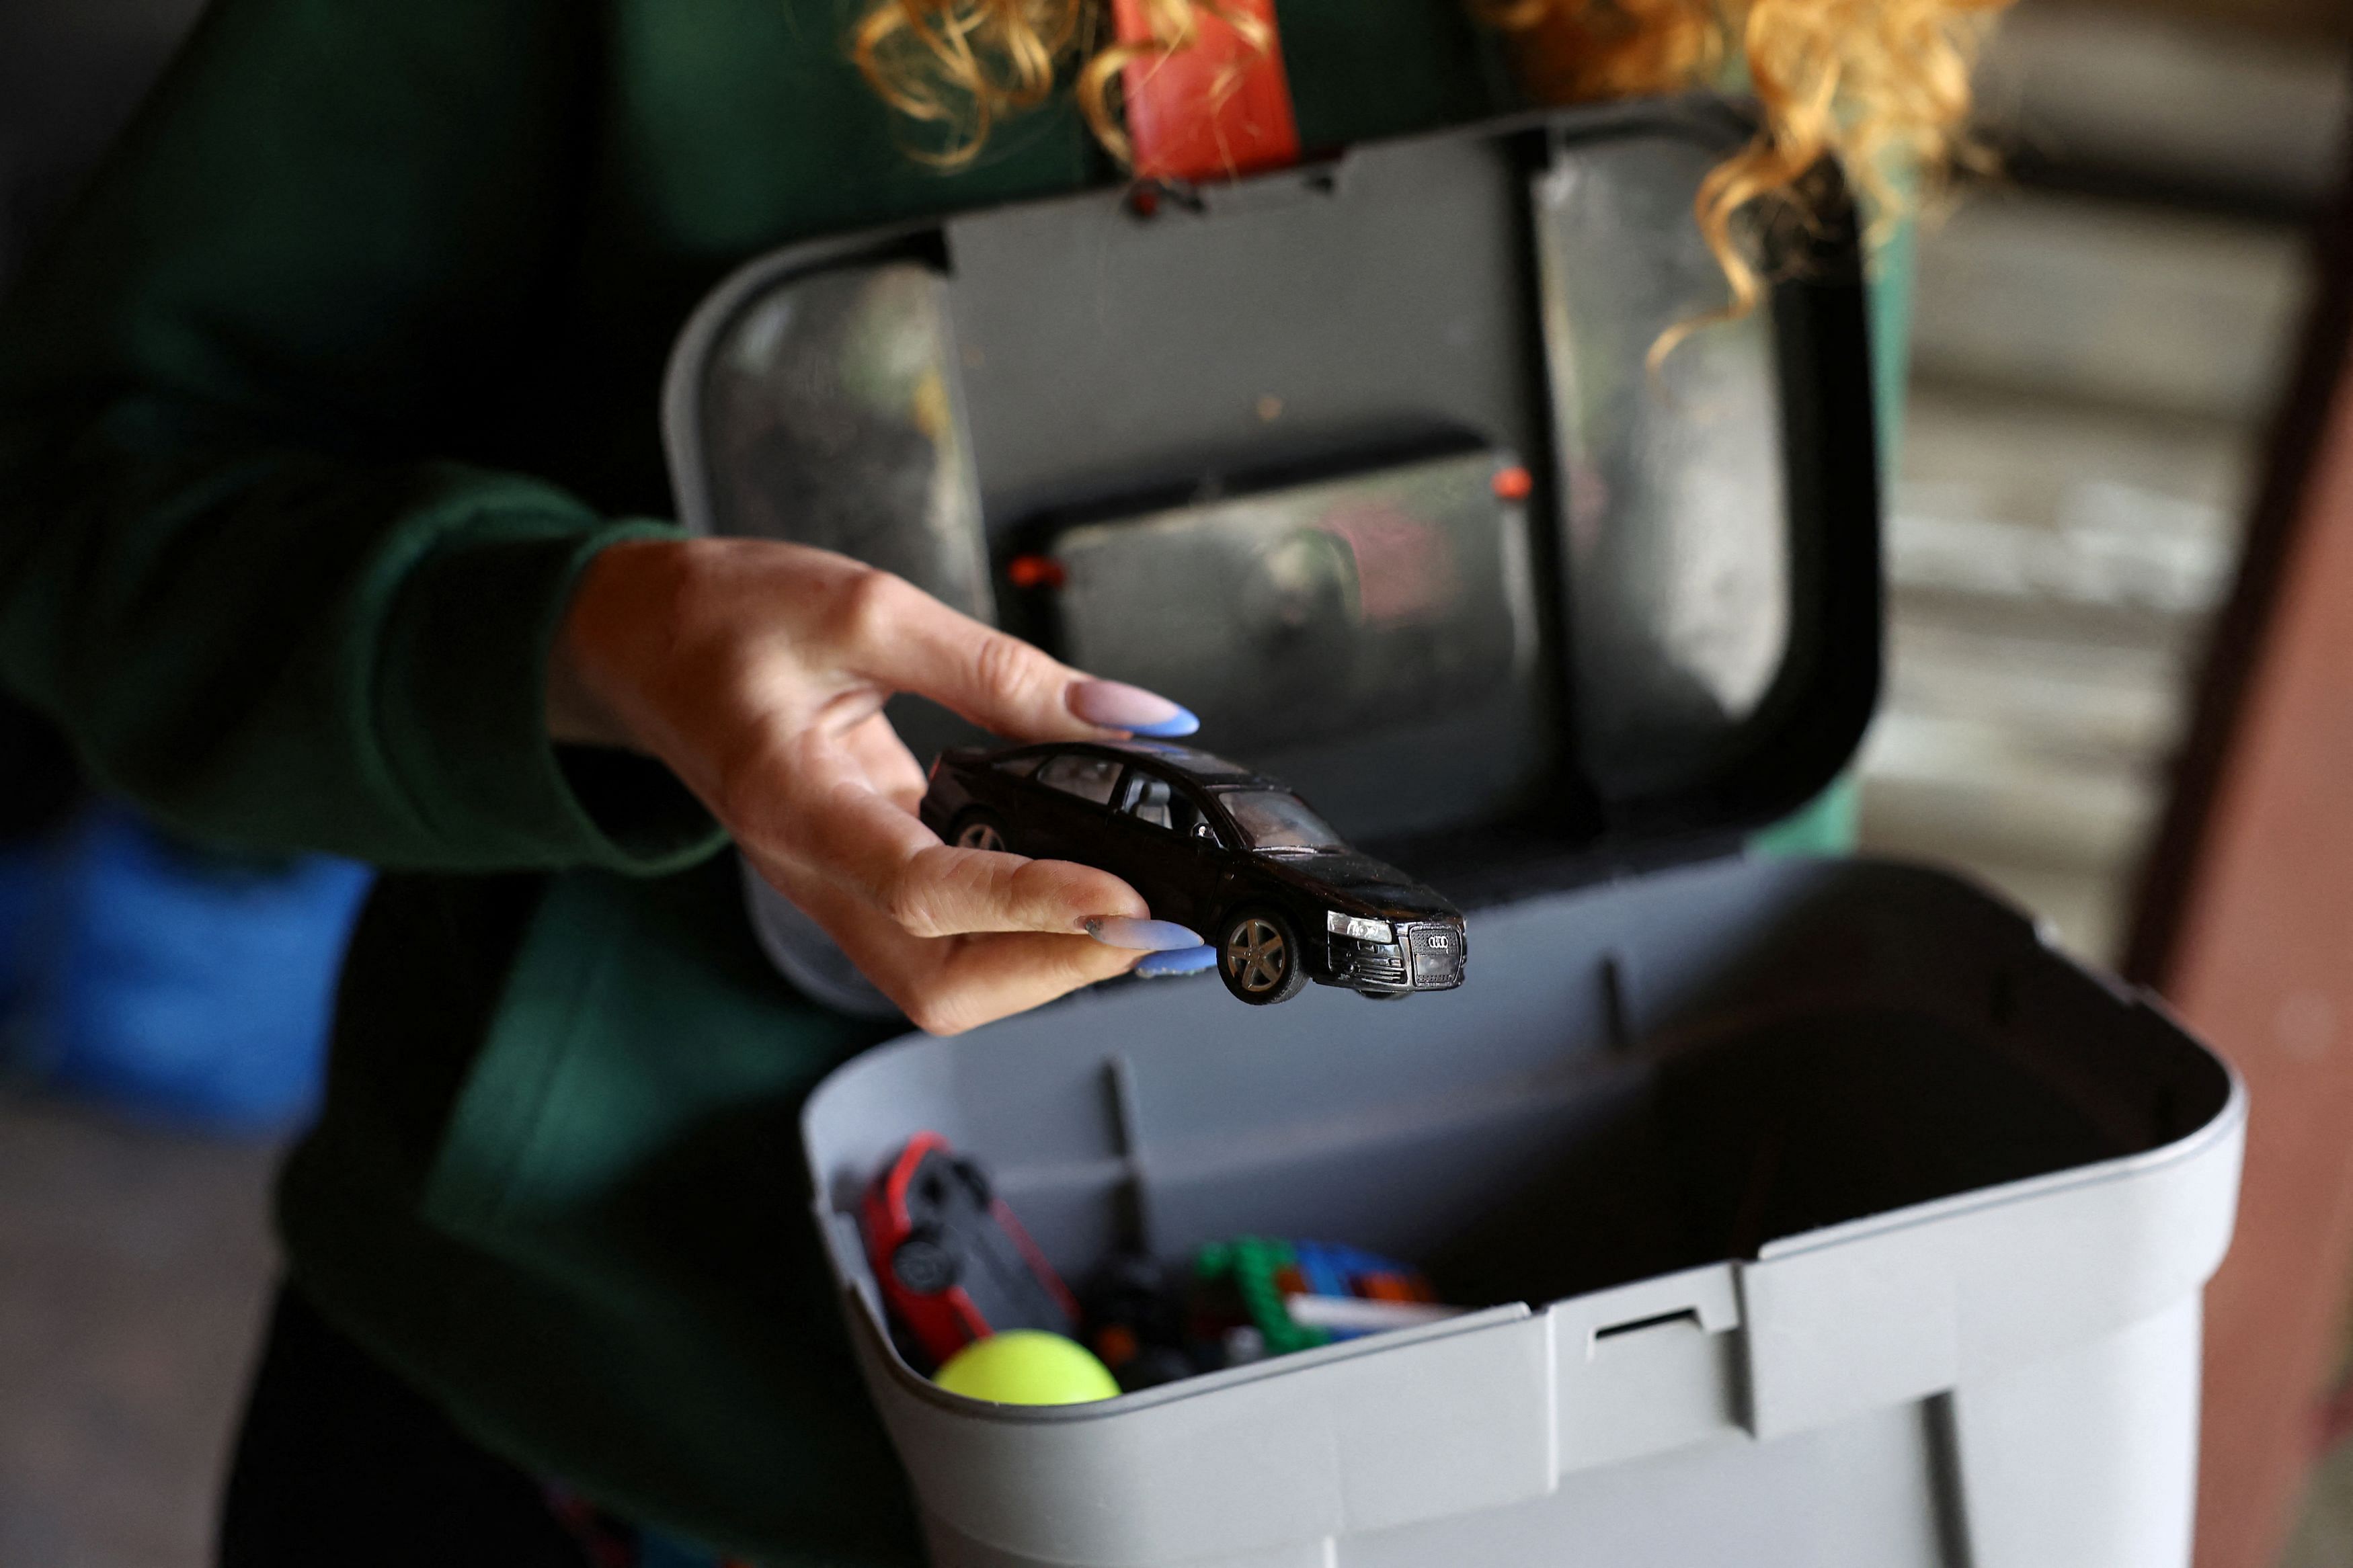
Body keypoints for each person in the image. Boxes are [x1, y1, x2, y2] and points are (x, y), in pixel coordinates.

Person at [0, 1, 2003, 1561]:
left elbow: (1707, 679)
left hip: (1464, 1416)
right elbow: (92, 512)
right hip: (640, 1412)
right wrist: (593, 639)